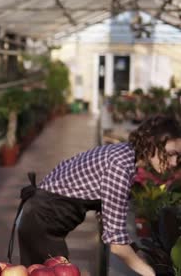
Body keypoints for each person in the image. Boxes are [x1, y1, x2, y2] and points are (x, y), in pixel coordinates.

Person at [13, 115, 181, 276]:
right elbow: (116, 245)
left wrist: (136, 252)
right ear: (152, 143)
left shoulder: (125, 154)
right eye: (172, 153)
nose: (174, 162)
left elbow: (109, 214)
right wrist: (151, 273)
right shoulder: (120, 166)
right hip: (41, 221)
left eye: (179, 156)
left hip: (40, 217)